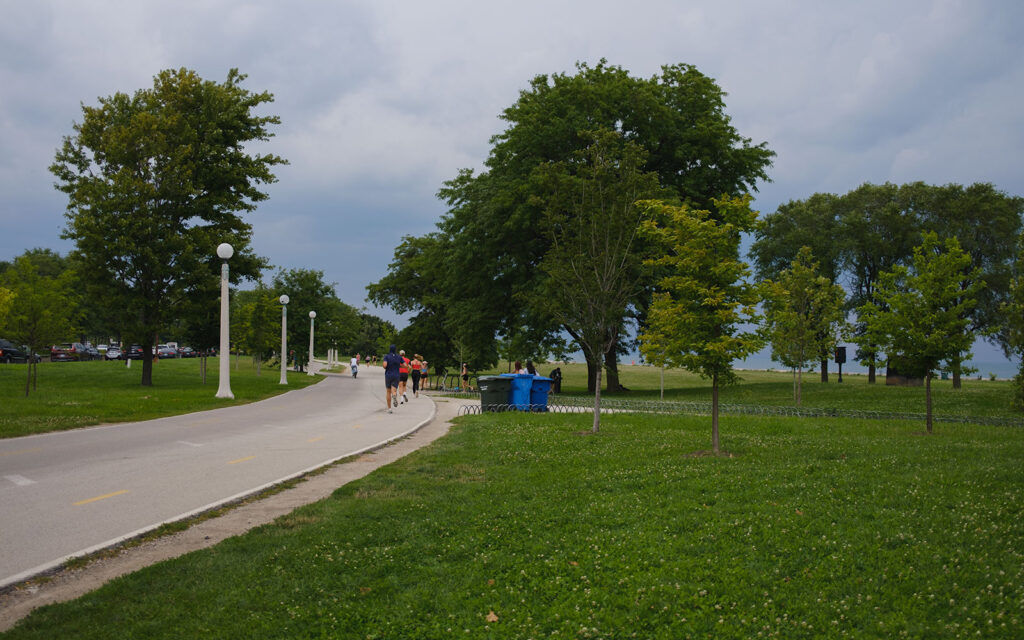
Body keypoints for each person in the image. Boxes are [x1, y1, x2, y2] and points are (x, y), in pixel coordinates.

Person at [382, 345, 402, 413]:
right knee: (394, 390)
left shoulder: (387, 357)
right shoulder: (399, 357)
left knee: (388, 391)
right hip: (396, 375)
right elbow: (405, 365)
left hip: (388, 375)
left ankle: (389, 409)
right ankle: (394, 396)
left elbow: (385, 365)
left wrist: (386, 366)